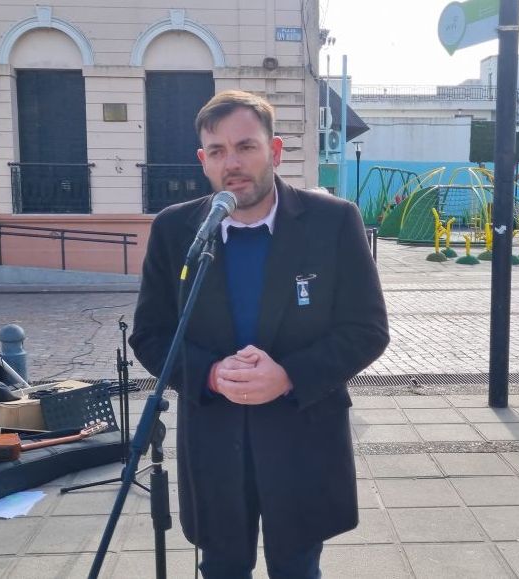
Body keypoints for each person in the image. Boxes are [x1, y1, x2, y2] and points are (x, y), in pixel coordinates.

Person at [129, 90, 390, 579]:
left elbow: (367, 330)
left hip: (302, 435)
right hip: (213, 439)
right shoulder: (174, 230)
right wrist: (209, 375)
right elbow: (151, 335)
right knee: (222, 567)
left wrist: (288, 376)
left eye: (246, 146)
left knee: (297, 567)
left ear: (274, 151)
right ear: (202, 161)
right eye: (218, 151)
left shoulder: (333, 222)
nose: (233, 163)